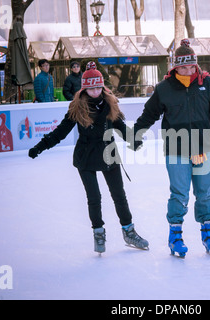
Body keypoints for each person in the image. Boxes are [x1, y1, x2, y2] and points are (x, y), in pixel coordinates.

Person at [132, 39, 210, 258]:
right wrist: (137, 133)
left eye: (191, 66)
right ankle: (175, 236)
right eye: (183, 66)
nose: (188, 70)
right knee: (179, 194)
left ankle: (208, 233)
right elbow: (149, 114)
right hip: (177, 150)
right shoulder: (164, 88)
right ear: (174, 67)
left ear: (196, 65)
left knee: (204, 194)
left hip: (203, 150)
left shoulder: (209, 85)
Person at [28, 61, 149, 254]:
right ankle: (98, 232)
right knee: (94, 197)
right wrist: (40, 147)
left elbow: (121, 128)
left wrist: (133, 140)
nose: (94, 91)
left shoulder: (110, 105)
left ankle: (129, 231)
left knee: (119, 195)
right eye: (90, 88)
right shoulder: (77, 108)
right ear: (84, 88)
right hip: (86, 157)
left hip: (109, 154)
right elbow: (60, 132)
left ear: (102, 86)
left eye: (98, 87)